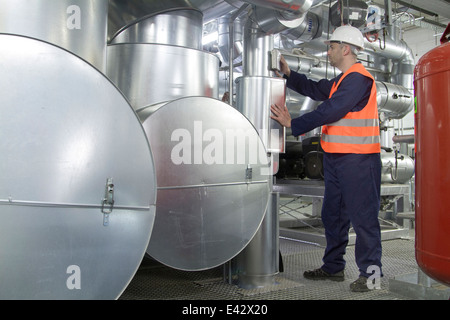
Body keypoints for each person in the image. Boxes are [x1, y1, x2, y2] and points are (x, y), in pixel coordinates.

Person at [270, 25, 382, 292]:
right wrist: (289, 74)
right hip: (336, 160)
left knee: (363, 218)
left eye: (331, 47)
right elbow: (317, 89)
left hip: (359, 160)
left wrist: (293, 123)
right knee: (333, 216)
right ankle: (333, 267)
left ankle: (372, 275)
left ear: (345, 49)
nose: (327, 51)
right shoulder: (342, 80)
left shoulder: (359, 79)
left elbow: (332, 109)